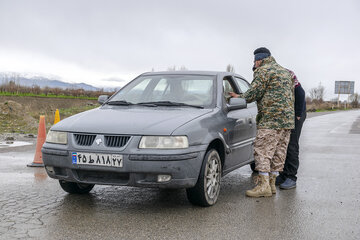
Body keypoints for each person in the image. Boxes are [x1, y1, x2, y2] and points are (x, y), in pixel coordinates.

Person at [229, 47, 294, 197]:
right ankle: (271, 184)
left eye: (254, 61)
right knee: (279, 152)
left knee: (263, 151)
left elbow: (254, 93)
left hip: (271, 120)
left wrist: (239, 97)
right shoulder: (285, 72)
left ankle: (263, 186)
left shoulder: (263, 70)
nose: (254, 64)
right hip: (286, 121)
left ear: (258, 60)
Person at [276, 70, 306, 189]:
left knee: (292, 144)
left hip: (296, 113)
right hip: (286, 114)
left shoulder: (286, 74)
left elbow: (301, 93)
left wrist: (298, 113)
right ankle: (283, 175)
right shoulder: (266, 76)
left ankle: (291, 177)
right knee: (283, 144)